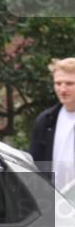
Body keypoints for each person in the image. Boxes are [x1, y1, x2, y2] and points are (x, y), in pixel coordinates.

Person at [29, 57, 75, 189]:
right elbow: (35, 165)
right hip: (54, 201)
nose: (63, 89)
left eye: (69, 83)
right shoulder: (46, 121)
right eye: (58, 83)